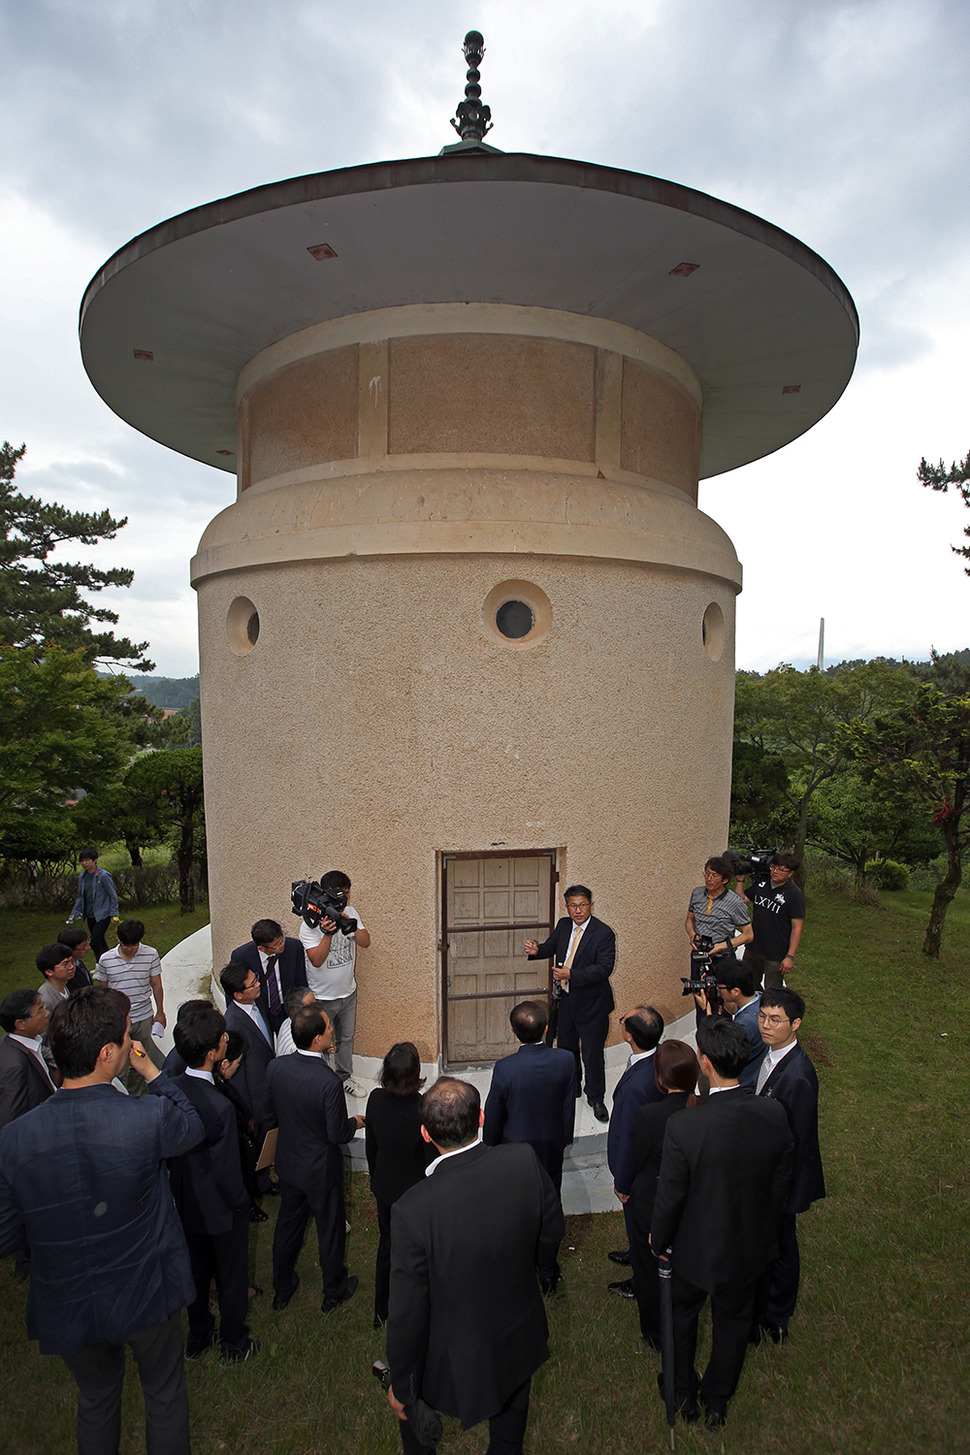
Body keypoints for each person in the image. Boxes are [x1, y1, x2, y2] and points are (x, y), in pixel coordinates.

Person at [0, 985, 203, 1455]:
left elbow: (8, 1233)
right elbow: (191, 1125)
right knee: (165, 1394)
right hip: (147, 1293)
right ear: (108, 1053)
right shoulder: (147, 1118)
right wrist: (153, 1071)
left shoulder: (13, 1141)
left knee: (95, 1399)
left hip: (67, 1299)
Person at [386, 1077, 564, 1454]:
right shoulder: (523, 1160)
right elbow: (551, 1232)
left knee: (416, 1428)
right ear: (481, 1117)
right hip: (518, 1329)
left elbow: (406, 1313)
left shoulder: (412, 1210)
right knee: (511, 1423)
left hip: (451, 1355)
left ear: (425, 1134)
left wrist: (403, 1387)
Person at [650, 1019, 792, 1430]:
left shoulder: (685, 1126)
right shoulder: (773, 1113)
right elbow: (780, 1182)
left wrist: (658, 1239)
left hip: (694, 1248)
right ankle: (717, 1400)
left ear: (705, 1063)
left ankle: (681, 1393)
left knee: (680, 1319)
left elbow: (671, 1195)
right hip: (749, 1244)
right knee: (732, 1324)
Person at [169, 1006, 258, 1364]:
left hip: (186, 1202)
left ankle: (199, 1334)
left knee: (196, 1270)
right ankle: (234, 1342)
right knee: (232, 1277)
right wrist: (242, 1203)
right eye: (222, 1039)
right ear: (212, 1055)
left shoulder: (171, 1089)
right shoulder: (218, 1107)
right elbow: (226, 1171)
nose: (226, 1040)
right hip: (222, 1209)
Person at [264, 1004, 364, 1313]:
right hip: (320, 1169)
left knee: (288, 1226)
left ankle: (282, 1287)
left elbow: (272, 1114)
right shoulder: (328, 1082)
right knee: (329, 1229)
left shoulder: (276, 1068)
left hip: (289, 1163)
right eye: (329, 1028)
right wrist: (356, 1123)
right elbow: (337, 1133)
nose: (333, 1030)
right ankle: (333, 1290)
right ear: (317, 1040)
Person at [482, 999, 575, 1293]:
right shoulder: (565, 1060)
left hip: (513, 1152)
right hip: (550, 1147)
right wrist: (564, 1139)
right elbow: (567, 1104)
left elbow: (494, 1112)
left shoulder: (505, 1069)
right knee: (550, 1206)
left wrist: (490, 1143)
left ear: (513, 1031)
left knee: (517, 1209)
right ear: (547, 1030)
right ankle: (547, 1269)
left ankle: (520, 1264)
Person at [755, 986, 826, 1343]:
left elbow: (794, 1142)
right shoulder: (772, 1057)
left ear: (795, 1024)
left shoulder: (797, 1076)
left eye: (775, 1020)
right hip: (768, 1174)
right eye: (763, 1017)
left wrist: (777, 1189)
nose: (766, 1026)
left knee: (782, 1246)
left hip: (782, 1180)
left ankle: (778, 1314)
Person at [628, 1040, 700, 1347]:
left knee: (647, 1269)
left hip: (649, 1203)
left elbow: (636, 1158)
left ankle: (655, 1332)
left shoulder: (650, 1115)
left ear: (660, 1078)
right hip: (689, 1203)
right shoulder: (703, 1109)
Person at [524, 884, 616, 1122]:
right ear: (566, 907)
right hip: (565, 1001)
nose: (578, 910)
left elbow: (604, 969)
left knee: (592, 1054)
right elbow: (551, 947)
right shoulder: (564, 926)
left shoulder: (604, 933)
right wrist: (537, 950)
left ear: (591, 906)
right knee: (566, 1049)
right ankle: (572, 1087)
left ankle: (596, 1098)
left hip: (593, 1005)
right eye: (573, 906)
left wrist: (571, 975)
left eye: (583, 905)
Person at [365, 1042, 434, 1327]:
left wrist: (376, 1179)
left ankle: (382, 1312)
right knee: (419, 1254)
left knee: (388, 1248)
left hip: (386, 1188)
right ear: (416, 1073)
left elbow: (372, 1147)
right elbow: (430, 1158)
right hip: (416, 1194)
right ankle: (419, 1310)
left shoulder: (375, 1100)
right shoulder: (424, 1108)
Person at [606, 1006, 664, 1298]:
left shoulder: (635, 1090)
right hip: (651, 1164)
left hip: (637, 1174)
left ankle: (641, 1281)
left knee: (640, 1225)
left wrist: (622, 1182)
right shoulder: (655, 1060)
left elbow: (629, 1137)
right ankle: (636, 1252)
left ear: (629, 1035)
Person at [298, 870, 370, 1098]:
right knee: (322, 1042)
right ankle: (323, 1083)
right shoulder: (309, 924)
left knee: (345, 1039)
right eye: (343, 894)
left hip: (348, 992)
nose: (346, 899)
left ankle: (344, 1077)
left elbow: (366, 942)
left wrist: (349, 926)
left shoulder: (350, 912)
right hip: (322, 997)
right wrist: (327, 933)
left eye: (348, 894)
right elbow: (317, 961)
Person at [93, 919, 166, 1081]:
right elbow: (102, 991)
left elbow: (156, 985)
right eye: (126, 945)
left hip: (143, 1017)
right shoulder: (105, 960)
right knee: (118, 1061)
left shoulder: (151, 954)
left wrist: (160, 1012)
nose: (130, 949)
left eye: (134, 945)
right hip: (117, 1020)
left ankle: (135, 1091)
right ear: (118, 939)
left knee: (139, 1056)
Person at [219, 961, 275, 1143]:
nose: (258, 984)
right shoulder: (233, 1025)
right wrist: (247, 1112)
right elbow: (235, 1078)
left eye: (256, 979)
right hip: (255, 1099)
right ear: (238, 995)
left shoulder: (257, 1000)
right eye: (252, 984)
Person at [736, 853, 806, 989]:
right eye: (774, 867)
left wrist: (789, 957)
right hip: (753, 947)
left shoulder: (795, 895)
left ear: (790, 873)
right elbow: (741, 900)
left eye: (781, 869)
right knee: (747, 984)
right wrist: (740, 880)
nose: (775, 872)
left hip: (775, 953)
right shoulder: (762, 884)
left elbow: (797, 928)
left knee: (772, 992)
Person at [685, 858, 752, 994]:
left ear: (725, 880)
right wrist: (692, 935)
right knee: (699, 994)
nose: (709, 879)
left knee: (720, 999)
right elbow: (689, 919)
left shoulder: (735, 902)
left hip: (722, 958)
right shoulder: (697, 893)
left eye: (714, 876)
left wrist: (721, 946)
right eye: (707, 874)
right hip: (699, 955)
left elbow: (748, 935)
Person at [230, 918, 307, 1035]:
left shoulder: (294, 947)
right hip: (261, 1010)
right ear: (261, 948)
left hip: (287, 1008)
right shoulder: (241, 956)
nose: (282, 945)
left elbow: (301, 982)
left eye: (282, 940)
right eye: (276, 945)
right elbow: (232, 988)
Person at [0, 989, 56, 1130]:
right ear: (20, 1024)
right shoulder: (16, 1066)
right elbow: (11, 1121)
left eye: (44, 1007)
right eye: (40, 1011)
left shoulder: (24, 1041)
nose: (47, 1013)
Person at [714, 962, 766, 1091]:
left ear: (736, 991)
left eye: (720, 988)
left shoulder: (744, 1025)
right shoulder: (760, 999)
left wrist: (708, 1012)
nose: (718, 990)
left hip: (745, 1085)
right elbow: (733, 1009)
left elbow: (725, 1056)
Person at [67, 847, 118, 961]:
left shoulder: (103, 875)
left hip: (102, 914)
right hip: (90, 914)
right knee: (100, 941)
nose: (84, 863)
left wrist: (114, 914)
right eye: (82, 861)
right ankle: (107, 964)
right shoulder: (83, 877)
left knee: (94, 941)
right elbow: (80, 896)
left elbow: (112, 895)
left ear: (95, 860)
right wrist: (74, 913)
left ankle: (102, 965)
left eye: (87, 860)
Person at [36, 944, 78, 1014]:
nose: (71, 966)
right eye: (65, 964)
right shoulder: (45, 999)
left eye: (72, 961)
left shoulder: (64, 986)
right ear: (49, 972)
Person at [275, 987, 317, 1056]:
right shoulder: (296, 1046)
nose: (318, 1009)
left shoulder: (288, 1021)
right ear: (299, 1011)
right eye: (313, 1006)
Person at [57, 925, 95, 991]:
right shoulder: (67, 974)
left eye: (87, 943)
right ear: (70, 950)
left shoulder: (78, 963)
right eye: (84, 946)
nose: (88, 948)